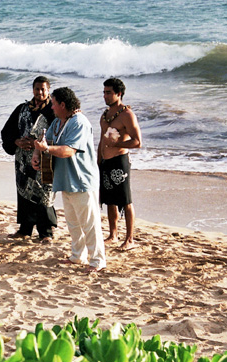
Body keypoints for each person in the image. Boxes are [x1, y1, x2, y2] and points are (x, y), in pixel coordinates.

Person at [33, 87, 106, 273]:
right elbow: (45, 139)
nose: (52, 107)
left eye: (54, 104)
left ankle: (98, 260)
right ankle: (77, 256)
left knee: (89, 223)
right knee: (73, 223)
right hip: (65, 179)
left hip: (81, 179)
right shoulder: (58, 122)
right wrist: (37, 154)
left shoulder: (79, 122)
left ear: (63, 104)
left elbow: (68, 150)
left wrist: (46, 150)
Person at [0, 76, 58, 243]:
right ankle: (25, 229)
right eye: (37, 89)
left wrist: (36, 144)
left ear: (48, 91)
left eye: (43, 89)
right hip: (23, 159)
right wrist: (16, 141)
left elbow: (58, 134)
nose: (40, 92)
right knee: (24, 191)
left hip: (44, 158)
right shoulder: (22, 108)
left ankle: (46, 232)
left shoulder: (53, 110)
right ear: (32, 90)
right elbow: (7, 131)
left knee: (44, 192)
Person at [98, 78, 142, 251]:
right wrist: (98, 160)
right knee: (109, 200)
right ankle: (113, 235)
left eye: (109, 93)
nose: (105, 96)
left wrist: (116, 145)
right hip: (105, 161)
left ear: (119, 94)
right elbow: (102, 140)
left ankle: (129, 239)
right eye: (104, 92)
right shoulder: (105, 115)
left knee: (125, 200)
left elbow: (137, 142)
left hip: (120, 161)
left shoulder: (127, 115)